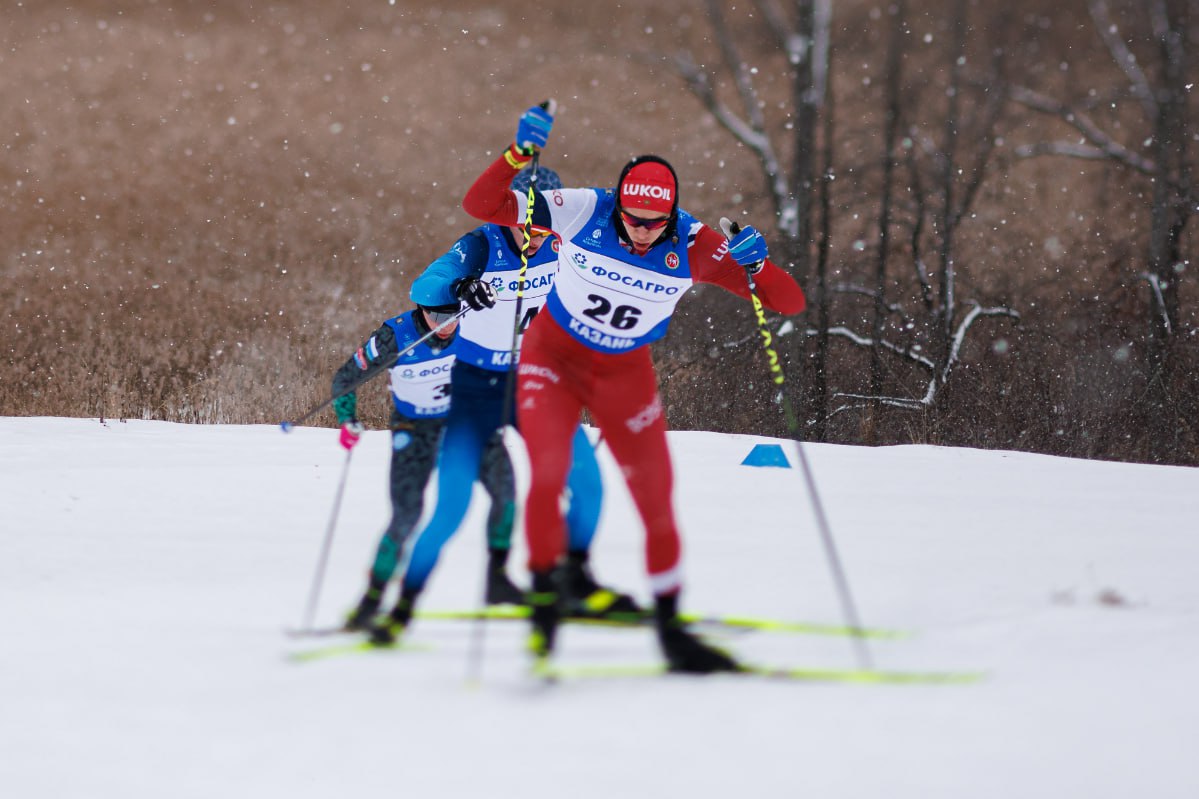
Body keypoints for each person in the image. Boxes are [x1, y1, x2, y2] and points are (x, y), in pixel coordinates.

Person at [460, 104, 808, 673]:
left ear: (672, 214)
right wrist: (517, 156)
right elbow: (481, 206)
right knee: (548, 474)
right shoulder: (583, 209)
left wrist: (759, 265)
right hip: (553, 361)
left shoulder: (693, 243)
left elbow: (787, 302)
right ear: (618, 204)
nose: (643, 232)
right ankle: (545, 605)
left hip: (623, 373)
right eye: (633, 219)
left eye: (655, 222)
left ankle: (672, 632)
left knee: (656, 498)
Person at [366, 165, 632, 646]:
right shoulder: (482, 245)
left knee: (587, 486)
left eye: (545, 222)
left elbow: (629, 240)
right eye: (526, 221)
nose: (535, 233)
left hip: (535, 384)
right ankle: (400, 610)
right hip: (476, 388)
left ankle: (571, 584)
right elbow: (424, 287)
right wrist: (458, 288)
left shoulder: (565, 242)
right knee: (452, 508)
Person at [332, 303, 525, 632]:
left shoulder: (477, 325)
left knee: (505, 494)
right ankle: (371, 600)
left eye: (454, 315)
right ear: (421, 309)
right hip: (415, 429)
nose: (446, 324)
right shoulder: (395, 337)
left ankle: (498, 579)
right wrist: (347, 418)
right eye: (437, 316)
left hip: (465, 422)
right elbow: (346, 377)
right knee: (406, 516)